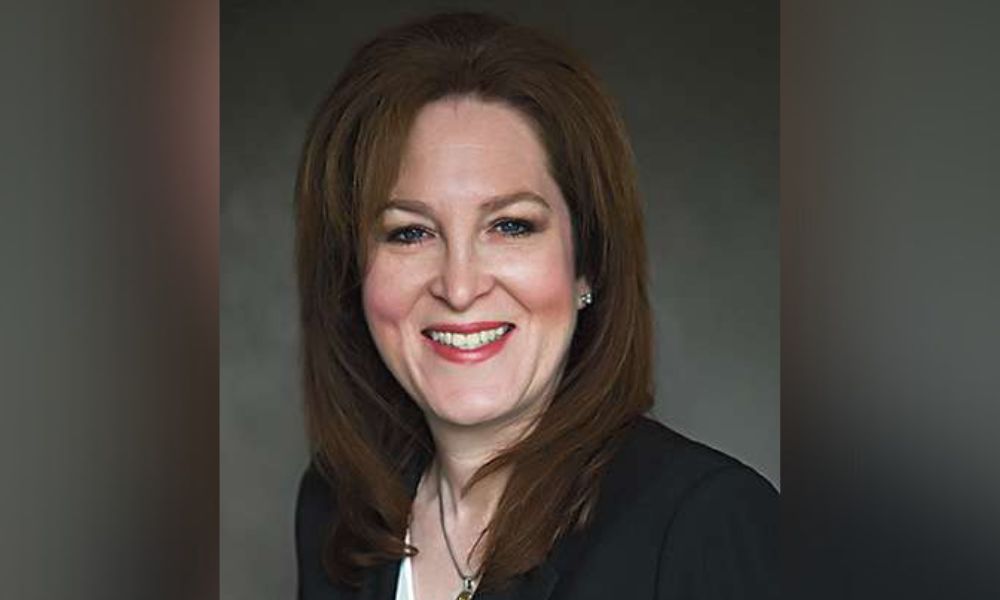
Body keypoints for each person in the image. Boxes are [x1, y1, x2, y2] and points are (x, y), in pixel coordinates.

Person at [294, 12, 777, 600]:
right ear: (351, 274)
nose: (460, 287)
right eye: (410, 233)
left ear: (586, 263)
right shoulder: (336, 509)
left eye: (510, 226)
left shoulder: (707, 525)